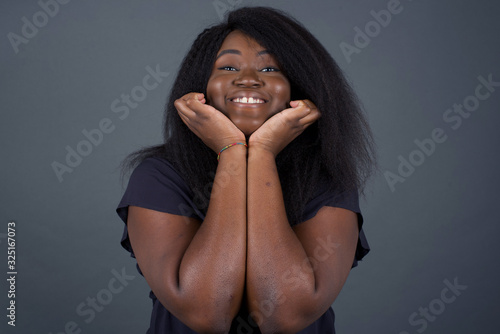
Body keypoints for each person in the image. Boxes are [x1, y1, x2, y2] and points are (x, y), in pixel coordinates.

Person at [116, 6, 375, 334]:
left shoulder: (327, 180)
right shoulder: (159, 177)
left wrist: (262, 153)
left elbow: (285, 315)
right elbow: (207, 312)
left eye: (270, 67)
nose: (248, 79)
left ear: (297, 88)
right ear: (202, 88)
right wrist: (233, 151)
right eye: (227, 66)